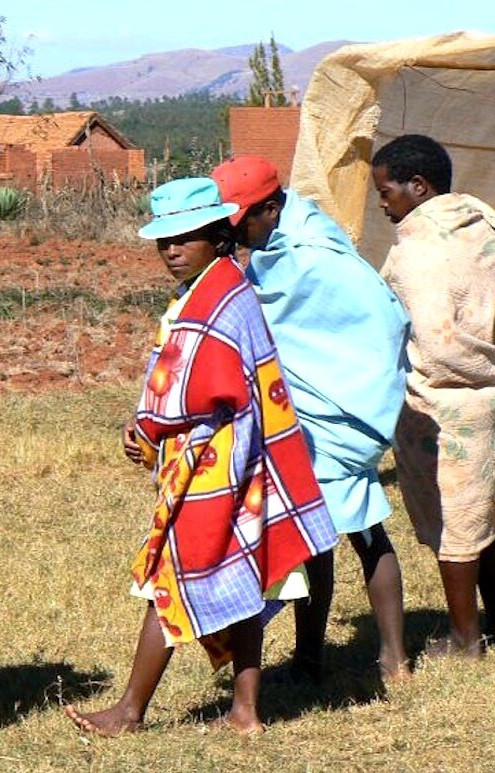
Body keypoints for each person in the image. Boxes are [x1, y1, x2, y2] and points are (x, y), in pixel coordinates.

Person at [64, 178, 338, 736]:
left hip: (217, 464)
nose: (170, 250)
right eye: (163, 241)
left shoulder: (214, 297)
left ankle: (129, 712)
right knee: (245, 574)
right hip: (232, 456)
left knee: (170, 575)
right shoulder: (218, 286)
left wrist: (147, 422)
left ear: (217, 235)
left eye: (183, 238)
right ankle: (244, 712)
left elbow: (193, 387)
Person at [212, 155, 411, 681]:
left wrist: (354, 397)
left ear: (271, 208)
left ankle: (391, 657)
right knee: (317, 536)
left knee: (363, 534)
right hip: (305, 413)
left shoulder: (313, 254)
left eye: (240, 223)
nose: (234, 236)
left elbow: (385, 320)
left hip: (340, 413)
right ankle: (311, 657)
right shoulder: (279, 246)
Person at [372, 133, 495, 656]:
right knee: (484, 518)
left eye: (387, 192)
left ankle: (465, 640)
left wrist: (406, 379)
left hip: (442, 406)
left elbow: (433, 345)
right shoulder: (487, 222)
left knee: (455, 527)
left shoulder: (419, 251)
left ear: (418, 187)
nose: (382, 203)